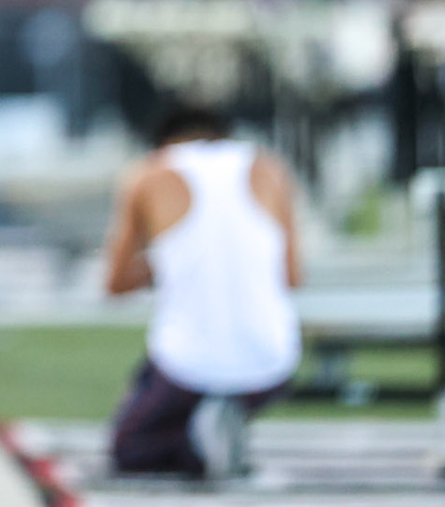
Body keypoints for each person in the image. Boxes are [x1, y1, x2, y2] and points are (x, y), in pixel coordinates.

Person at [100, 105, 302, 479]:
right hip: (271, 361)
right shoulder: (270, 169)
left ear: (163, 142)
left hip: (187, 364)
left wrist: (168, 259)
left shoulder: (148, 174)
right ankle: (220, 418)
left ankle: (198, 441)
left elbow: (114, 284)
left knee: (131, 447)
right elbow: (291, 276)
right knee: (182, 389)